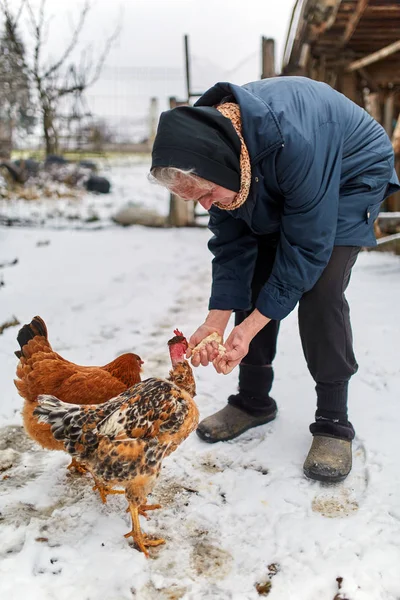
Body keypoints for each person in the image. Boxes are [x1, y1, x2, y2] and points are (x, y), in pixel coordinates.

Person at [150, 76, 400, 483]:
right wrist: (217, 321)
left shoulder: (294, 142)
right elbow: (232, 248)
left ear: (224, 167)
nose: (206, 206)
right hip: (276, 171)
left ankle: (333, 421)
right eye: (195, 200)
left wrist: (248, 327)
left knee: (320, 287)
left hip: (349, 171)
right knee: (255, 271)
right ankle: (253, 400)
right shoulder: (212, 151)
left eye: (206, 194)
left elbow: (305, 249)